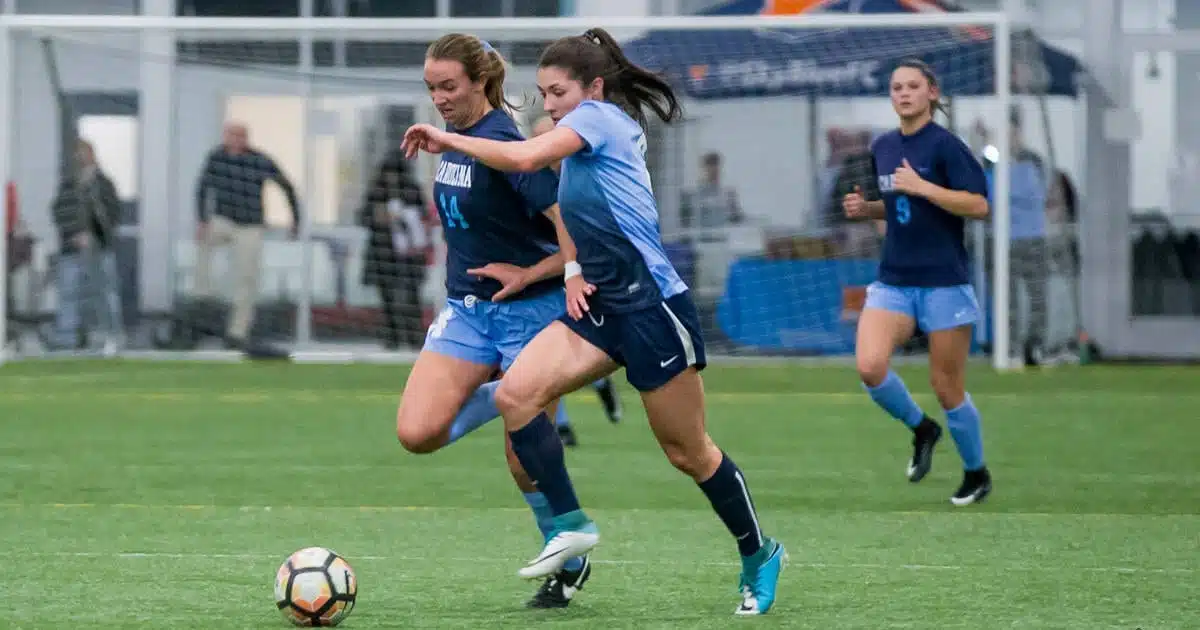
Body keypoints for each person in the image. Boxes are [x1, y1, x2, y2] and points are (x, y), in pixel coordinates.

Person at [402, 27, 786, 616]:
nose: (549, 105)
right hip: (600, 305)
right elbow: (572, 216)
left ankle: (760, 553)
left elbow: (526, 157)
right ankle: (571, 527)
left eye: (558, 94)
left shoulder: (603, 122)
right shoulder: (570, 132)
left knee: (688, 452)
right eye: (544, 94)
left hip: (653, 307)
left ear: (595, 89)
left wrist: (447, 139)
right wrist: (566, 270)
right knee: (518, 396)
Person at [392, 33, 595, 610]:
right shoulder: (453, 141)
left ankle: (569, 558)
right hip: (467, 312)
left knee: (522, 458)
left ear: (480, 82)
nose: (439, 98)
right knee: (417, 433)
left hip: (530, 314)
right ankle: (510, 393)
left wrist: (534, 275)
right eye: (431, 88)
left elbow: (569, 223)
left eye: (449, 86)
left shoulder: (505, 141)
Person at [841, 59, 993, 506]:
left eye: (912, 86)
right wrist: (866, 209)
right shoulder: (883, 146)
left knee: (947, 387)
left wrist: (924, 187)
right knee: (869, 366)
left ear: (932, 92)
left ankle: (976, 473)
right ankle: (921, 429)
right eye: (896, 87)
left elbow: (979, 205)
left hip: (944, 282)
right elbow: (899, 207)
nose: (903, 94)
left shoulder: (947, 147)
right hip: (894, 281)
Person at [530, 114, 624, 445]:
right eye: (538, 139)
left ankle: (601, 384)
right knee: (544, 354)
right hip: (546, 280)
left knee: (575, 349)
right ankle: (564, 426)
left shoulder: (582, 181)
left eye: (550, 138)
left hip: (579, 277)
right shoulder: (530, 181)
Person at [194, 122, 301, 349]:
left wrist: (295, 219)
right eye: (231, 135)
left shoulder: (259, 159)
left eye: (240, 136)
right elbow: (202, 187)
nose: (235, 140)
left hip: (250, 225)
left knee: (247, 278)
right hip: (222, 220)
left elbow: (286, 186)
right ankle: (202, 297)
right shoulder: (216, 158)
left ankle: (237, 332)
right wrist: (202, 219)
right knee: (203, 244)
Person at [49, 139, 125, 355]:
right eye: (77, 154)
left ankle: (111, 336)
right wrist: (74, 234)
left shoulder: (104, 184)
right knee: (69, 293)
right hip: (71, 249)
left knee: (106, 293)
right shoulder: (68, 185)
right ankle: (68, 337)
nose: (80, 157)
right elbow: (58, 211)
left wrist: (94, 235)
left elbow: (113, 214)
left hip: (100, 248)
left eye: (83, 153)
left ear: (92, 154)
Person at [358, 150, 430, 350]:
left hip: (409, 255)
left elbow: (424, 215)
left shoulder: (412, 190)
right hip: (383, 253)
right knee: (387, 297)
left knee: (411, 296)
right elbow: (363, 217)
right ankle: (392, 337)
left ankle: (414, 336)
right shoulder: (376, 192)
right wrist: (378, 217)